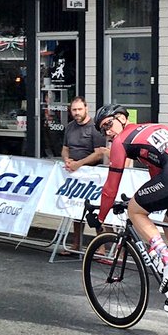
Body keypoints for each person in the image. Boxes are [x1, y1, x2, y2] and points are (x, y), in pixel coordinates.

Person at [89, 104, 168, 315]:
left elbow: (111, 186)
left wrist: (100, 217)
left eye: (108, 124)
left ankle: (164, 258)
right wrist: (153, 200)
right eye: (103, 130)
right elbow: (157, 174)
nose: (107, 132)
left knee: (135, 210)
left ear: (122, 118)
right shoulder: (152, 127)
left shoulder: (121, 140)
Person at [60, 97, 108, 255]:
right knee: (74, 210)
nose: (77, 113)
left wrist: (79, 163)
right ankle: (76, 245)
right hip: (74, 174)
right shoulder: (70, 127)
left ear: (86, 108)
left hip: (93, 175)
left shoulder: (95, 127)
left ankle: (101, 247)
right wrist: (67, 160)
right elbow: (65, 148)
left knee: (95, 211)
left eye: (79, 109)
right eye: (74, 110)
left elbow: (99, 154)